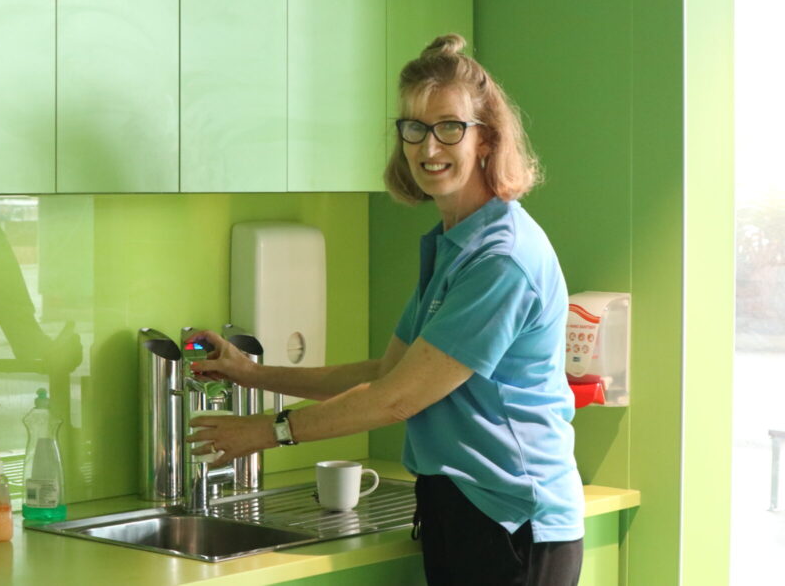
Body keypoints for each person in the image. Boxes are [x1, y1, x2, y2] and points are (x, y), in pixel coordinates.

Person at [186, 33, 583, 585]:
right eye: (414, 128)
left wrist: (266, 432)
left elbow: (396, 399)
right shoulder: (455, 243)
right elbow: (385, 373)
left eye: (449, 127)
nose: (428, 147)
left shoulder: (501, 259)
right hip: (464, 506)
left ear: (486, 139)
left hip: (512, 517)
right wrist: (252, 374)